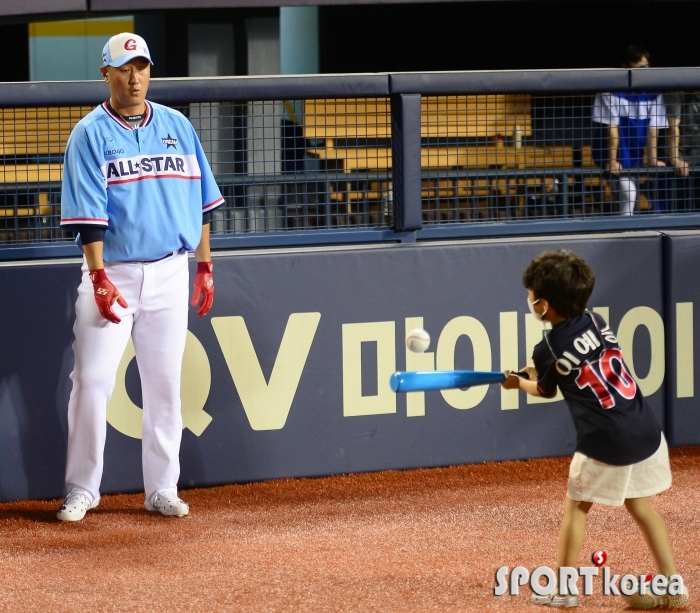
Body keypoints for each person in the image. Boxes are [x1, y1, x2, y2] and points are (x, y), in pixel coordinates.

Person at [57, 32, 225, 521]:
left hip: (171, 271)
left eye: (143, 66)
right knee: (90, 380)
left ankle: (161, 488)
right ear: (106, 73)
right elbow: (88, 218)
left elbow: (202, 204)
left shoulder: (176, 125)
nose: (135, 77)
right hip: (113, 273)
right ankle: (82, 488)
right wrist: (100, 278)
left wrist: (205, 265)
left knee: (164, 383)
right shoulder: (89, 133)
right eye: (125, 68)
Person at [501, 250, 689, 609]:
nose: (529, 301)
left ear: (543, 306)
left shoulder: (549, 347)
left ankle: (564, 591)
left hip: (605, 441)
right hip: (645, 429)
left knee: (576, 508)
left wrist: (516, 383)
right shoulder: (594, 318)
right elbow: (572, 363)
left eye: (531, 297)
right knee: (641, 507)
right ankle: (673, 584)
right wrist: (532, 369)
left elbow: (545, 388)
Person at [591, 45, 667, 215]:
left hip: (635, 157)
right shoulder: (609, 90)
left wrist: (653, 160)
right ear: (625, 67)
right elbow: (612, 129)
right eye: (638, 68)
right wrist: (611, 160)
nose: (642, 72)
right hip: (611, 156)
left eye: (645, 68)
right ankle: (627, 234)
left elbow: (653, 130)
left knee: (631, 196)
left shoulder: (654, 92)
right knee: (628, 193)